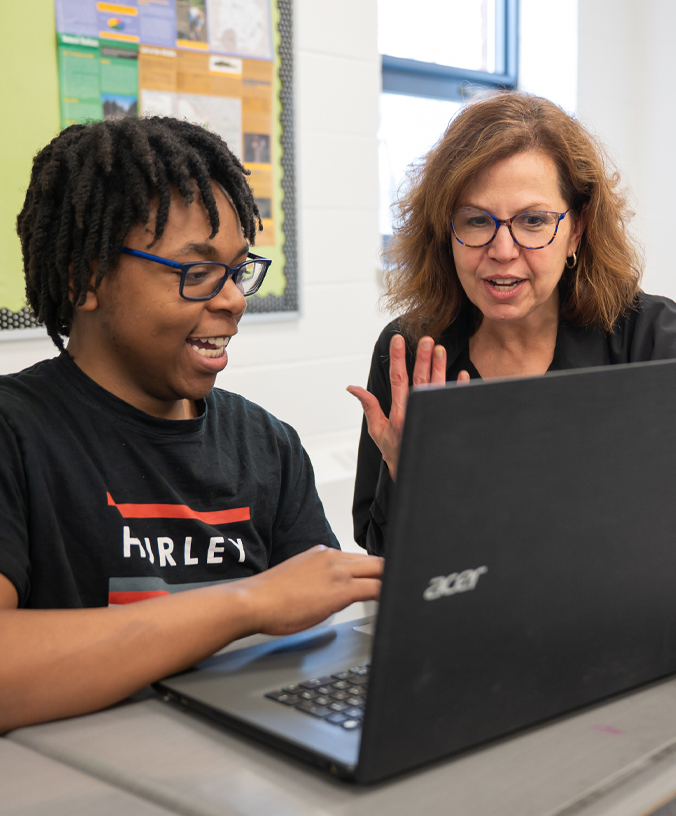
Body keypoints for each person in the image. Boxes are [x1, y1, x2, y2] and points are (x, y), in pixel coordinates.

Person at [0, 116, 383, 732]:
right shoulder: (17, 434)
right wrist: (247, 601)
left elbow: (314, 632)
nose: (233, 299)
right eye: (196, 272)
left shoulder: (268, 445)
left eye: (236, 270)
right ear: (83, 276)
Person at [349, 91, 676, 557]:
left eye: (533, 221)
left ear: (576, 231)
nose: (503, 250)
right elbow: (383, 552)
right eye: (477, 220)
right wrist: (411, 476)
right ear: (447, 232)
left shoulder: (654, 342)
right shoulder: (408, 351)